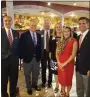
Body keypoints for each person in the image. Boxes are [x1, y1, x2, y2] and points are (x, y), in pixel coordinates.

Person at [19, 19, 41, 95]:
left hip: (37, 59)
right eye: (32, 25)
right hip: (27, 59)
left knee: (36, 73)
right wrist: (22, 57)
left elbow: (40, 47)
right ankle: (28, 87)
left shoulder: (38, 35)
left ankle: (34, 85)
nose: (33, 26)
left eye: (35, 25)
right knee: (27, 74)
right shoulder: (24, 35)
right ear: (29, 26)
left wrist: (40, 56)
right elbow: (21, 47)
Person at [56, 27, 77, 97]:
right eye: (65, 31)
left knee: (68, 80)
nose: (66, 33)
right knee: (62, 80)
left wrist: (64, 64)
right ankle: (63, 93)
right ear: (63, 33)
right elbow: (56, 53)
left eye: (68, 31)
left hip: (69, 64)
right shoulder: (60, 41)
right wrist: (59, 63)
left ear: (70, 32)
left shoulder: (74, 41)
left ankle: (67, 93)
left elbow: (73, 55)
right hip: (60, 64)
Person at [1, 16, 20, 97]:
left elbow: (17, 46)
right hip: (3, 61)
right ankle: (4, 95)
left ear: (12, 22)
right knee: (3, 80)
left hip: (14, 61)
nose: (8, 22)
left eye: (9, 21)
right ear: (3, 21)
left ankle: (13, 94)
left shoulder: (16, 33)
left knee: (13, 79)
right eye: (6, 21)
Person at [76, 17, 90, 97]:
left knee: (88, 91)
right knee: (79, 88)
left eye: (84, 23)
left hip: (87, 70)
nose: (81, 25)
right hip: (78, 68)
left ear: (88, 24)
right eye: (80, 23)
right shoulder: (78, 36)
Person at [49, 22, 62, 92]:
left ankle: (62, 86)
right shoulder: (52, 36)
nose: (58, 28)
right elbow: (50, 46)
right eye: (57, 27)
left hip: (63, 58)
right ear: (55, 28)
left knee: (62, 72)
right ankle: (57, 85)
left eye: (59, 27)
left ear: (62, 28)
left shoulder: (65, 36)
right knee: (55, 72)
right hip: (54, 57)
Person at [40, 18, 53, 88]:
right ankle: (43, 82)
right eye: (45, 23)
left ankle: (50, 82)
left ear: (50, 24)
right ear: (43, 24)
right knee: (43, 68)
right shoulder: (40, 33)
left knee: (51, 68)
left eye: (48, 23)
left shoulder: (53, 32)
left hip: (51, 53)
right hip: (43, 52)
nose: (46, 25)